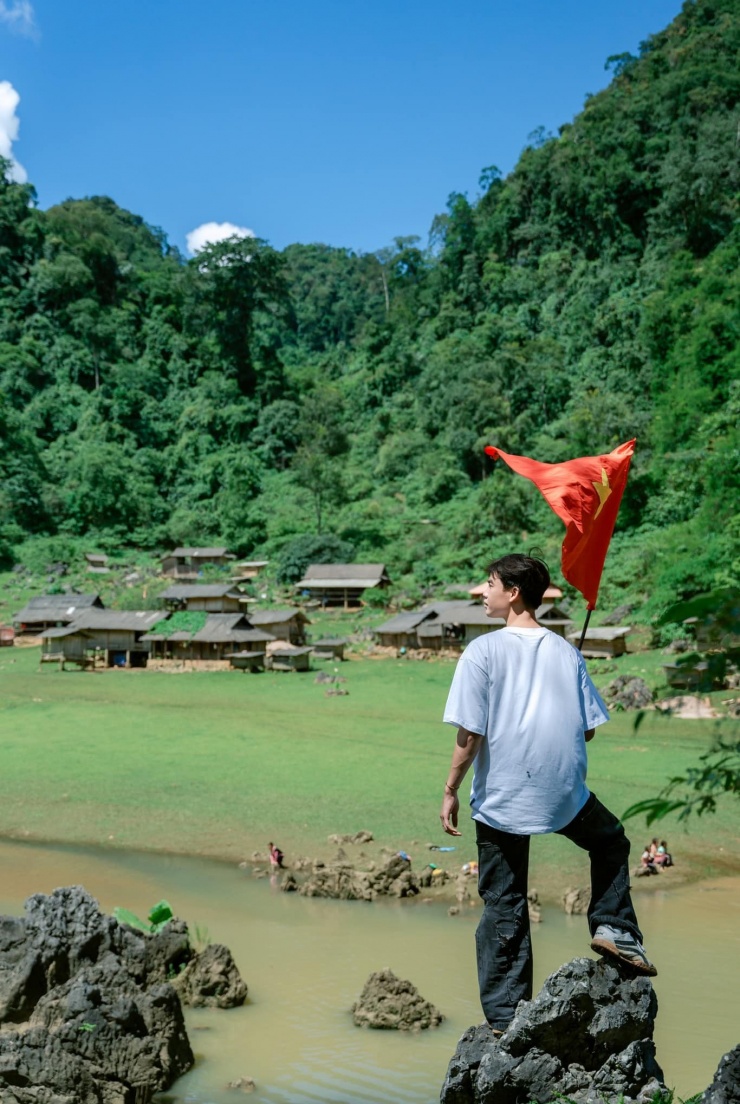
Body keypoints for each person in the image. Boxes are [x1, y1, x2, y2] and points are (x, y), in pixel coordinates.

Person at [439, 553, 656, 1035]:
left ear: (513, 592)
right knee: (611, 841)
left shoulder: (482, 652)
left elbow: (470, 734)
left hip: (502, 802)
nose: (483, 590)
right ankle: (614, 929)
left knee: (505, 900)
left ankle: (503, 1016)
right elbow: (589, 732)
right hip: (563, 797)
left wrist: (451, 789)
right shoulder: (566, 651)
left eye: (489, 582)